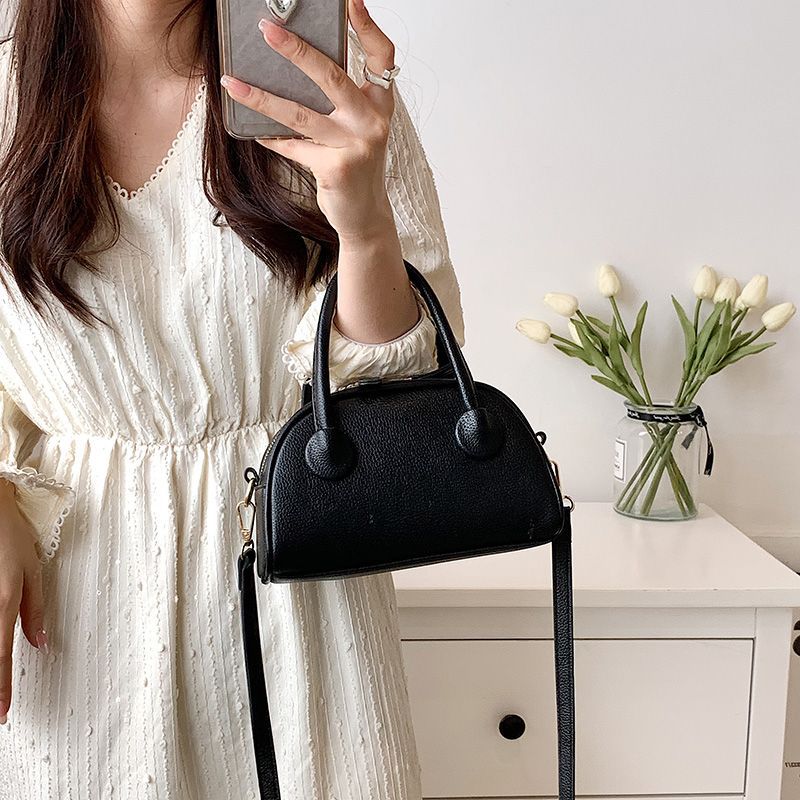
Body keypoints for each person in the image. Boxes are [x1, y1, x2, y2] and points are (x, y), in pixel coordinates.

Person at [0, 0, 465, 797]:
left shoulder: (320, 75)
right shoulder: (9, 93)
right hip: (75, 616)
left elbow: (412, 390)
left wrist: (365, 227)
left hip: (302, 602)